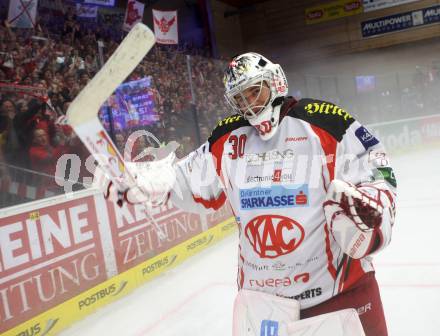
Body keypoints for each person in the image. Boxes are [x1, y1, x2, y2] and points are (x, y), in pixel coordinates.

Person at [105, 52, 396, 336]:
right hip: (266, 306)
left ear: (276, 82)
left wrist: (375, 202)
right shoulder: (228, 140)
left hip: (340, 296)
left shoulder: (324, 122)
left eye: (255, 91)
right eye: (241, 98)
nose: (250, 104)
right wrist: (142, 180)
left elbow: (376, 162)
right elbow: (183, 177)